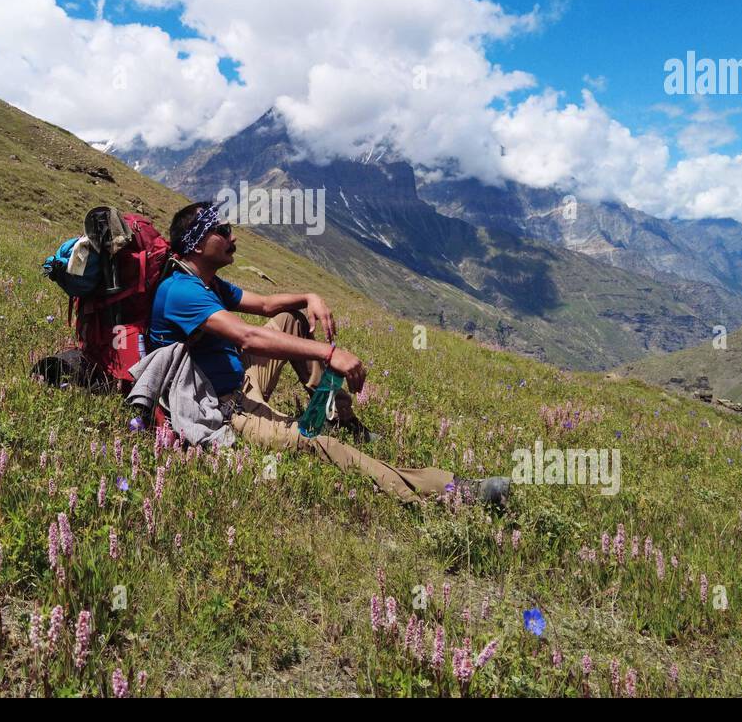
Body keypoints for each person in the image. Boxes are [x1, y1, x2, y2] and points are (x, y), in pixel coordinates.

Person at [148, 201, 510, 506]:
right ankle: (449, 490)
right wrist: (328, 351)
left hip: (240, 380)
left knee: (288, 318)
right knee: (315, 443)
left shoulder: (206, 280)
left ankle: (338, 416)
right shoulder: (182, 291)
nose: (233, 237)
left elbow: (266, 304)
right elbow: (248, 337)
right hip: (222, 406)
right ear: (197, 244)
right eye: (222, 231)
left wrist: (309, 297)